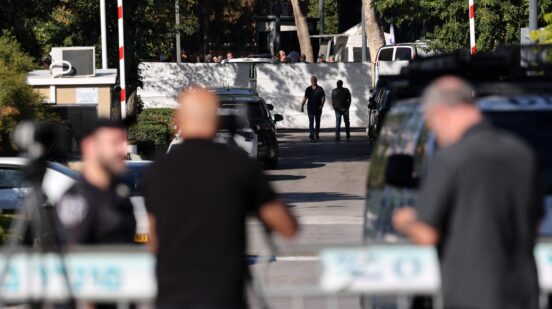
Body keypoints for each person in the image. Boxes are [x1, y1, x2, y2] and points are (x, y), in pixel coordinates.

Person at [393, 76, 542, 309]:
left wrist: (405, 221)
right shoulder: (522, 153)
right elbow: (534, 219)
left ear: (441, 112)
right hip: (522, 293)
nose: (436, 131)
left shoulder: (451, 159)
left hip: (471, 294)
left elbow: (427, 234)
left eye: (431, 122)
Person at [144, 87, 298, 309]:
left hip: (172, 296)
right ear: (217, 121)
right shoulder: (239, 166)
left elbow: (153, 238)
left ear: (179, 121)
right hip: (224, 295)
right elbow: (287, 227)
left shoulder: (157, 171)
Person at [56, 118, 136, 244]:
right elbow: (74, 255)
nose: (123, 151)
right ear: (90, 147)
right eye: (115, 142)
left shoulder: (120, 192)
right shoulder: (77, 198)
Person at [301, 76, 325, 140]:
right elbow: (305, 98)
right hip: (310, 108)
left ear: (316, 81)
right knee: (311, 121)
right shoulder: (308, 89)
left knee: (317, 121)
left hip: (318, 108)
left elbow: (323, 98)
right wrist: (302, 105)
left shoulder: (320, 89)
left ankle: (317, 134)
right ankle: (311, 133)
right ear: (311, 81)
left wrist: (321, 105)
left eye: (315, 81)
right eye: (312, 81)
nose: (313, 82)